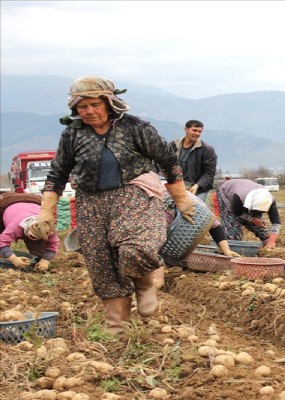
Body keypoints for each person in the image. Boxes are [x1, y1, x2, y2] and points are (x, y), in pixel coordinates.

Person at [32, 75, 196, 335]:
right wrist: (45, 211)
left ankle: (144, 286)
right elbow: (57, 173)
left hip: (134, 193)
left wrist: (181, 197)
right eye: (82, 107)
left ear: (109, 103)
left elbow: (167, 160)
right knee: (101, 263)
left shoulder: (135, 127)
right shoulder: (73, 134)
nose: (89, 111)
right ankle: (117, 329)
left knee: (135, 247)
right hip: (91, 202)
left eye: (94, 105)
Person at [0, 193, 59, 272]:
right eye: (33, 237)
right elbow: (2, 242)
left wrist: (45, 261)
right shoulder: (15, 226)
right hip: (9, 202)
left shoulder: (49, 229)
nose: (34, 239)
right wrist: (13, 259)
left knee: (39, 254)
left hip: (35, 201)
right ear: (27, 229)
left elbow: (52, 246)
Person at [215, 178, 281, 248]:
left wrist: (271, 241)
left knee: (260, 225)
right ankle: (233, 247)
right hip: (227, 192)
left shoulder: (269, 200)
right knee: (232, 224)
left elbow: (276, 222)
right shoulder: (239, 197)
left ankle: (267, 244)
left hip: (246, 190)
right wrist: (253, 220)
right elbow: (237, 212)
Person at [169, 120, 218, 201]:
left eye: (199, 131)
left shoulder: (207, 150)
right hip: (175, 186)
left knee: (195, 211)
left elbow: (209, 173)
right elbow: (163, 164)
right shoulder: (173, 145)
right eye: (194, 130)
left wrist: (197, 185)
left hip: (197, 189)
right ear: (186, 129)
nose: (197, 134)